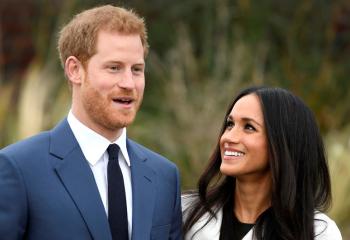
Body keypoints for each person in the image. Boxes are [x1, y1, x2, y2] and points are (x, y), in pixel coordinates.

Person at [0, 5, 182, 240]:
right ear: (75, 70)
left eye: (137, 69)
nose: (129, 83)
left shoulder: (165, 176)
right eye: (114, 68)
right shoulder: (18, 169)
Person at [182, 86, 342, 240]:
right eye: (230, 124)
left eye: (249, 127)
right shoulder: (186, 211)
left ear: (283, 144)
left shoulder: (318, 233)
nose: (228, 137)